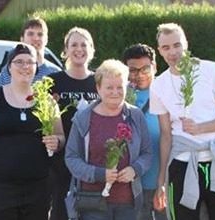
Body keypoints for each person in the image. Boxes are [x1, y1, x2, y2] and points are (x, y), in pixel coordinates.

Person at [0, 43, 65, 220]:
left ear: (36, 67)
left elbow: (60, 136)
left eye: (30, 62)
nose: (25, 67)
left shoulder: (46, 100)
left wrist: (57, 141)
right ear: (9, 67)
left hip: (37, 187)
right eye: (19, 62)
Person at [150, 23, 215, 220]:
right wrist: (161, 180)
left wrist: (200, 128)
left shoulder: (211, 70)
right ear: (160, 50)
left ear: (186, 44)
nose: (172, 52)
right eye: (166, 47)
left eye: (177, 45)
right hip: (182, 163)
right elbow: (166, 135)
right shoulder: (158, 85)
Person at [65, 59, 152, 219]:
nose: (115, 92)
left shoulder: (135, 116)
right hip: (92, 202)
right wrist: (98, 174)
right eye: (109, 87)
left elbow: (146, 154)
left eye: (120, 87)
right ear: (98, 88)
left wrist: (135, 170)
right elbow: (71, 157)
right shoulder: (84, 117)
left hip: (127, 203)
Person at [47, 26, 101, 220]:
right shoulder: (52, 81)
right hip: (61, 161)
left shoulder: (100, 80)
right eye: (74, 45)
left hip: (94, 160)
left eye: (84, 44)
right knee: (61, 212)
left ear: (92, 49)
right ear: (66, 50)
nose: (79, 49)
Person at [121, 43, 167, 220]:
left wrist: (162, 182)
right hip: (130, 183)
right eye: (133, 70)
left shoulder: (166, 92)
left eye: (145, 69)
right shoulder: (119, 95)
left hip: (160, 180)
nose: (139, 75)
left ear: (154, 67)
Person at [0, 17, 62, 88]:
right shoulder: (8, 71)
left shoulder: (55, 73)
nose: (36, 38)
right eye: (30, 34)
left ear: (46, 40)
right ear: (22, 39)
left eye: (40, 34)